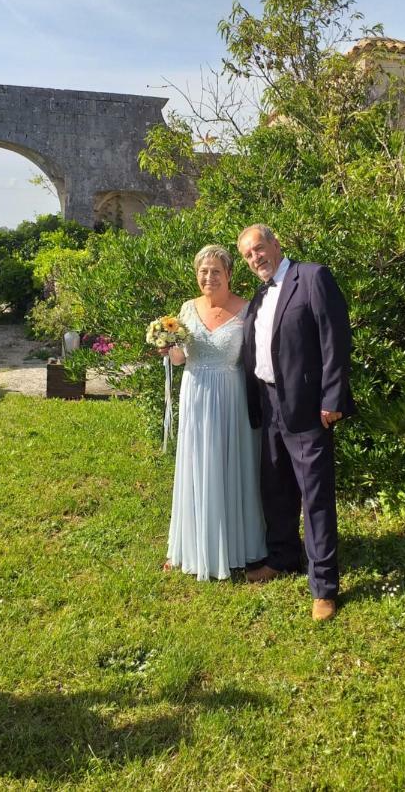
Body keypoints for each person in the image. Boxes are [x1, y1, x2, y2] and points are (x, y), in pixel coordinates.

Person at [237, 224, 354, 621]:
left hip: (307, 405)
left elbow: (334, 339)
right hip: (269, 403)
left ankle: (323, 586)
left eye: (259, 249)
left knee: (315, 497)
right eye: (248, 255)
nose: (255, 258)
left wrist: (332, 398)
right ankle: (283, 556)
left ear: (276, 244)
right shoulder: (258, 294)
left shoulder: (313, 277)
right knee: (276, 488)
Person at [164, 244, 267, 580]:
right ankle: (193, 547)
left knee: (232, 466)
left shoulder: (247, 309)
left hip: (232, 397)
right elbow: (181, 358)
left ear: (229, 274)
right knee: (198, 465)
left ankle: (237, 547)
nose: (209, 277)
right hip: (195, 394)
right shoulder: (186, 309)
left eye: (216, 272)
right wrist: (168, 348)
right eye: (203, 272)